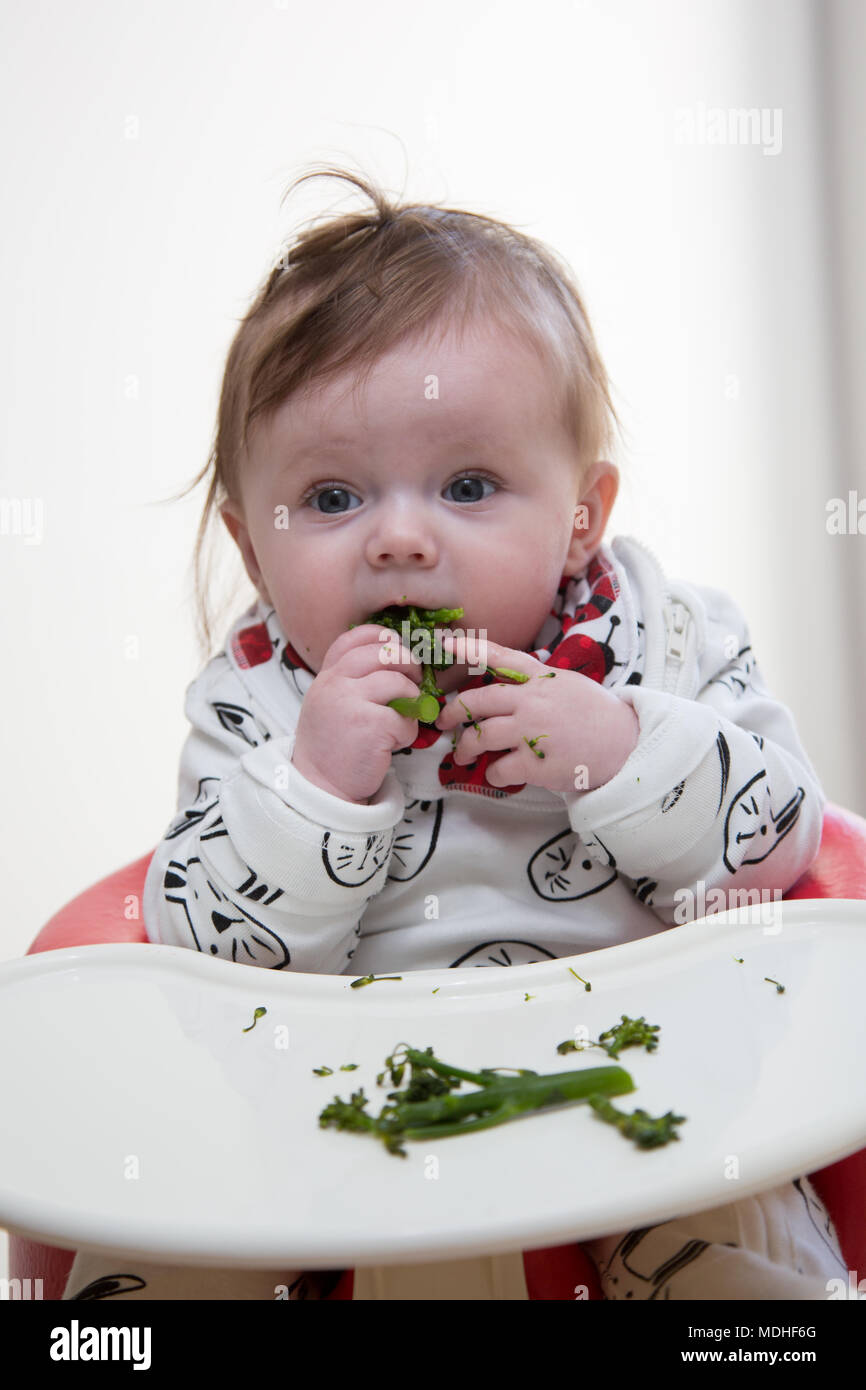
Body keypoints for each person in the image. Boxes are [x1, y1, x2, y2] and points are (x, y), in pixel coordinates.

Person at [62, 166, 846, 1301]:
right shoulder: (255, 702)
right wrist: (317, 788)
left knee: (736, 1246)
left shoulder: (663, 642)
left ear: (583, 517)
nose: (396, 540)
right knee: (148, 1243)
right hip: (333, 1103)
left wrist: (621, 751)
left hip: (652, 1071)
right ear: (249, 544)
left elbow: (782, 846)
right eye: (331, 499)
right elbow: (208, 955)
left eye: (468, 484)